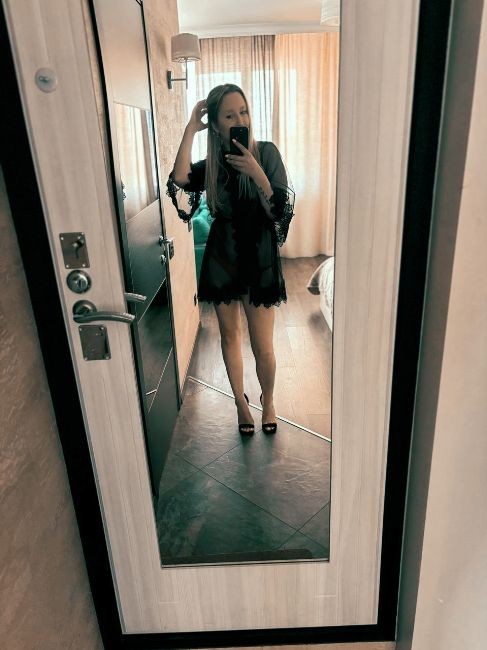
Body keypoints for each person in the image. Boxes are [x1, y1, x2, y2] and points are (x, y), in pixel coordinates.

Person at [167, 83, 294, 435]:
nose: (240, 120)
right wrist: (191, 128)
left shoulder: (266, 153)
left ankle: (269, 401)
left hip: (259, 254)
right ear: (217, 125)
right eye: (229, 115)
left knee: (262, 344)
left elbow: (278, 210)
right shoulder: (214, 163)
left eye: (244, 112)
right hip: (224, 255)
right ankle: (240, 402)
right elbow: (180, 177)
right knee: (229, 336)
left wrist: (256, 171)